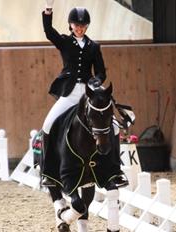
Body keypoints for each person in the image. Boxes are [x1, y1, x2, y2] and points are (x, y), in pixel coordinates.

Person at [40, 0, 128, 188]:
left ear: (87, 26)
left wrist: (96, 82)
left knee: (114, 128)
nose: (80, 28)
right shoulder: (64, 42)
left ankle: (115, 172)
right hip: (69, 93)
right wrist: (48, 9)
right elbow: (49, 32)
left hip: (89, 94)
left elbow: (101, 72)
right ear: (71, 25)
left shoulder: (94, 46)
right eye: (77, 25)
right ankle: (47, 172)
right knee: (47, 125)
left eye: (83, 25)